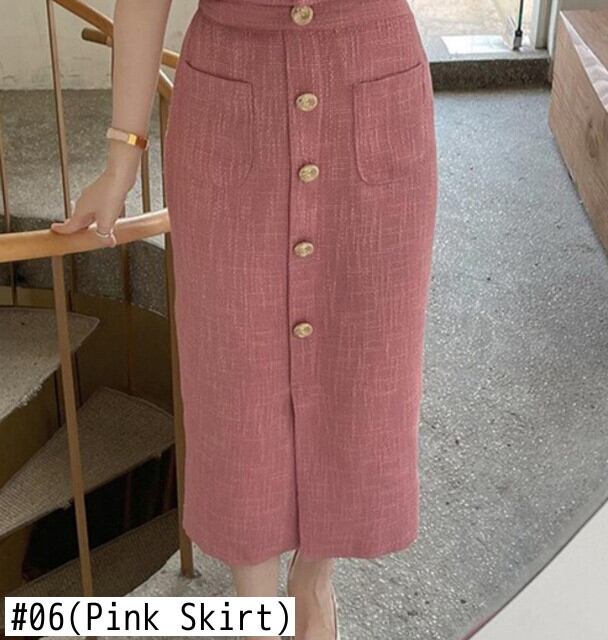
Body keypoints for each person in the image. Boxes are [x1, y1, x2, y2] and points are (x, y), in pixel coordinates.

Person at [51, 0, 438, 638]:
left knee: (363, 358)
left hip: (372, 85)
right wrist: (123, 156)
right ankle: (253, 606)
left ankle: (315, 581)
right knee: (235, 370)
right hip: (230, 97)